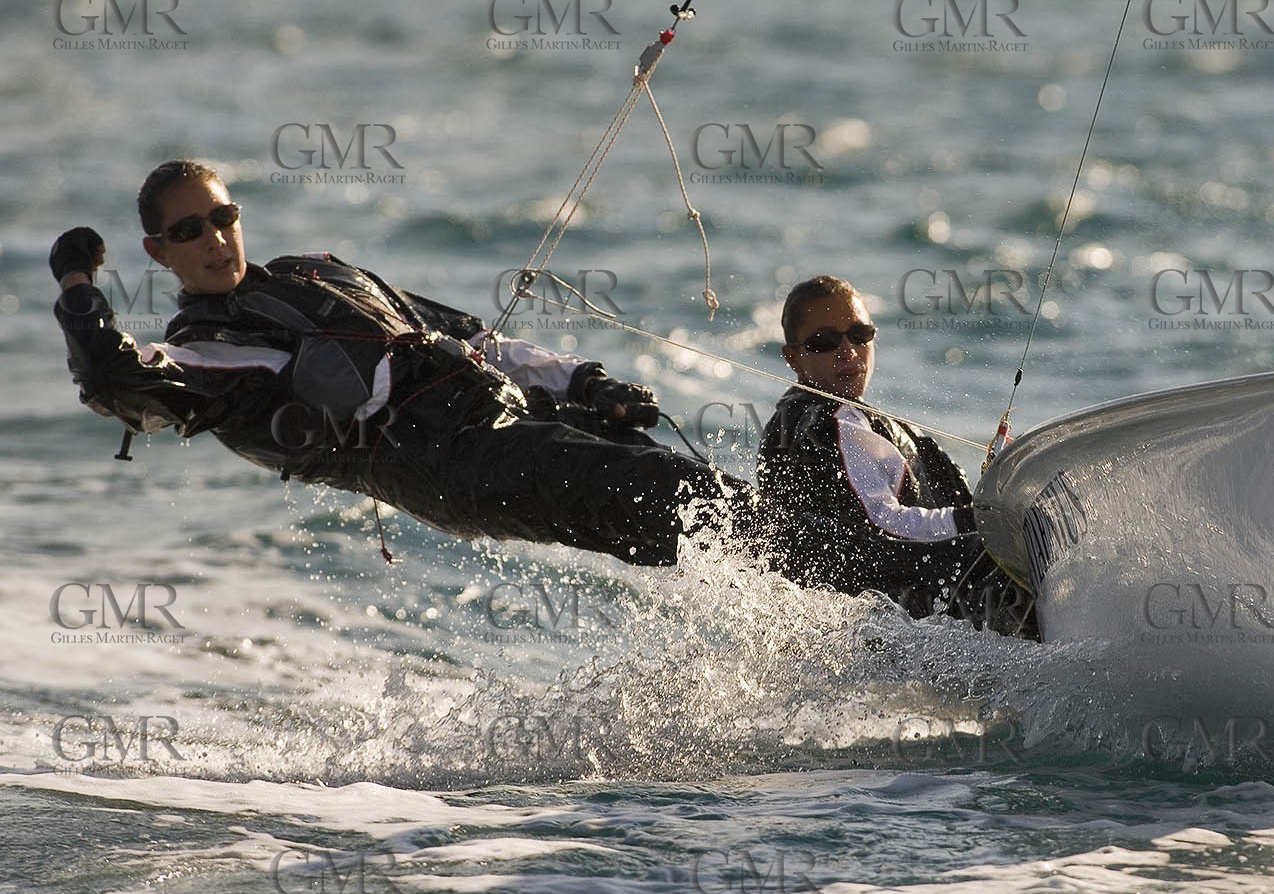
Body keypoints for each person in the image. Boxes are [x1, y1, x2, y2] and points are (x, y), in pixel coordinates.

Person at [50, 158, 747, 566]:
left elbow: (469, 334)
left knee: (684, 491)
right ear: (158, 251)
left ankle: (828, 603)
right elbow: (115, 378)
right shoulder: (206, 355)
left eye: (223, 217)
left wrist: (582, 382)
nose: (214, 237)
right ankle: (839, 564)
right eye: (188, 230)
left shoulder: (315, 273)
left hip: (504, 413)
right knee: (669, 492)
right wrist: (77, 283)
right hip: (452, 465)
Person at [756, 275, 1036, 637]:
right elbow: (882, 525)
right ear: (792, 356)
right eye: (824, 341)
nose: (848, 352)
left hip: (878, 615)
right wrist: (983, 521)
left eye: (860, 335)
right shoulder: (829, 423)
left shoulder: (804, 418)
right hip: (896, 615)